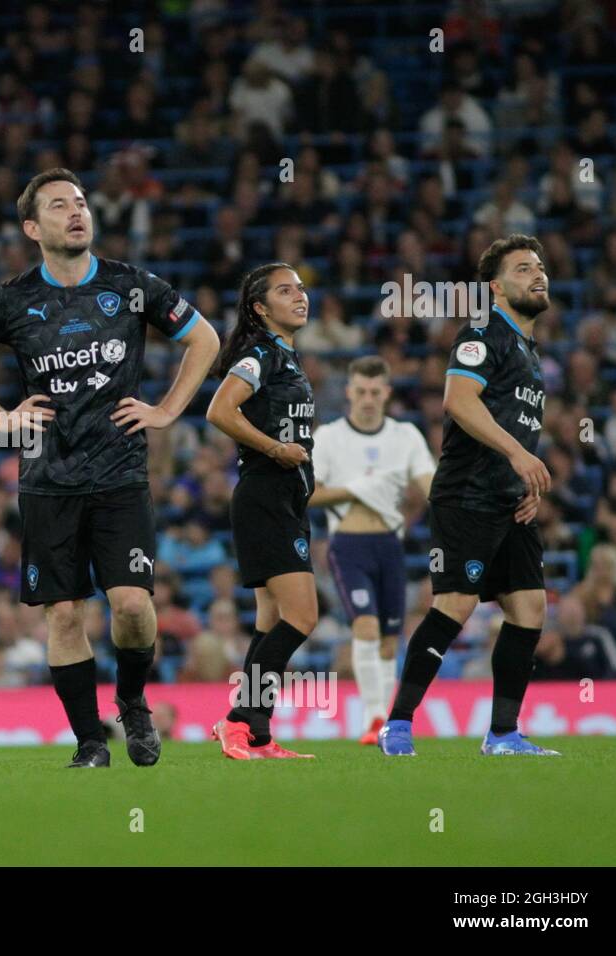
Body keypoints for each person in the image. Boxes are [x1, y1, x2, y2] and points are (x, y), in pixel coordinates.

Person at [0, 168, 219, 768]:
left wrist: (168, 409)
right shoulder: (11, 300)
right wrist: (1, 418)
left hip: (120, 474)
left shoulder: (131, 285)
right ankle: (91, 743)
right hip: (48, 481)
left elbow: (206, 339)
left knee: (135, 606)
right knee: (64, 613)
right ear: (33, 227)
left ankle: (134, 702)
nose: (76, 212)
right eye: (59, 205)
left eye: (81, 202)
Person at [380, 235, 557, 757]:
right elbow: (459, 401)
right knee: (453, 607)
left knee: (529, 608)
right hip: (467, 495)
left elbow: (517, 427)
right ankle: (398, 724)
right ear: (496, 288)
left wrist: (525, 481)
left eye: (541, 267)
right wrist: (519, 458)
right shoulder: (483, 331)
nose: (539, 274)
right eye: (524, 269)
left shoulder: (529, 348)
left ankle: (503, 733)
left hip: (510, 501)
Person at [204, 263, 318, 759]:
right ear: (259, 307)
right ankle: (235, 718)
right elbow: (219, 411)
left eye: (301, 288)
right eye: (285, 290)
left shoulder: (285, 358)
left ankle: (258, 733)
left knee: (271, 620)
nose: (300, 295)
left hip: (285, 498)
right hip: (265, 496)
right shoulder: (261, 354)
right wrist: (275, 449)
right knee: (303, 616)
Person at [309, 356, 435, 743]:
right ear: (349, 392)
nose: (367, 399)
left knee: (389, 639)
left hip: (389, 544)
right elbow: (307, 493)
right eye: (360, 391)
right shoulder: (329, 437)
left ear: (386, 393)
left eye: (374, 392)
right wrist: (358, 489)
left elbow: (430, 484)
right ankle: (375, 717)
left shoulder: (404, 436)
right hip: (348, 543)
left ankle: (386, 718)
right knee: (364, 624)